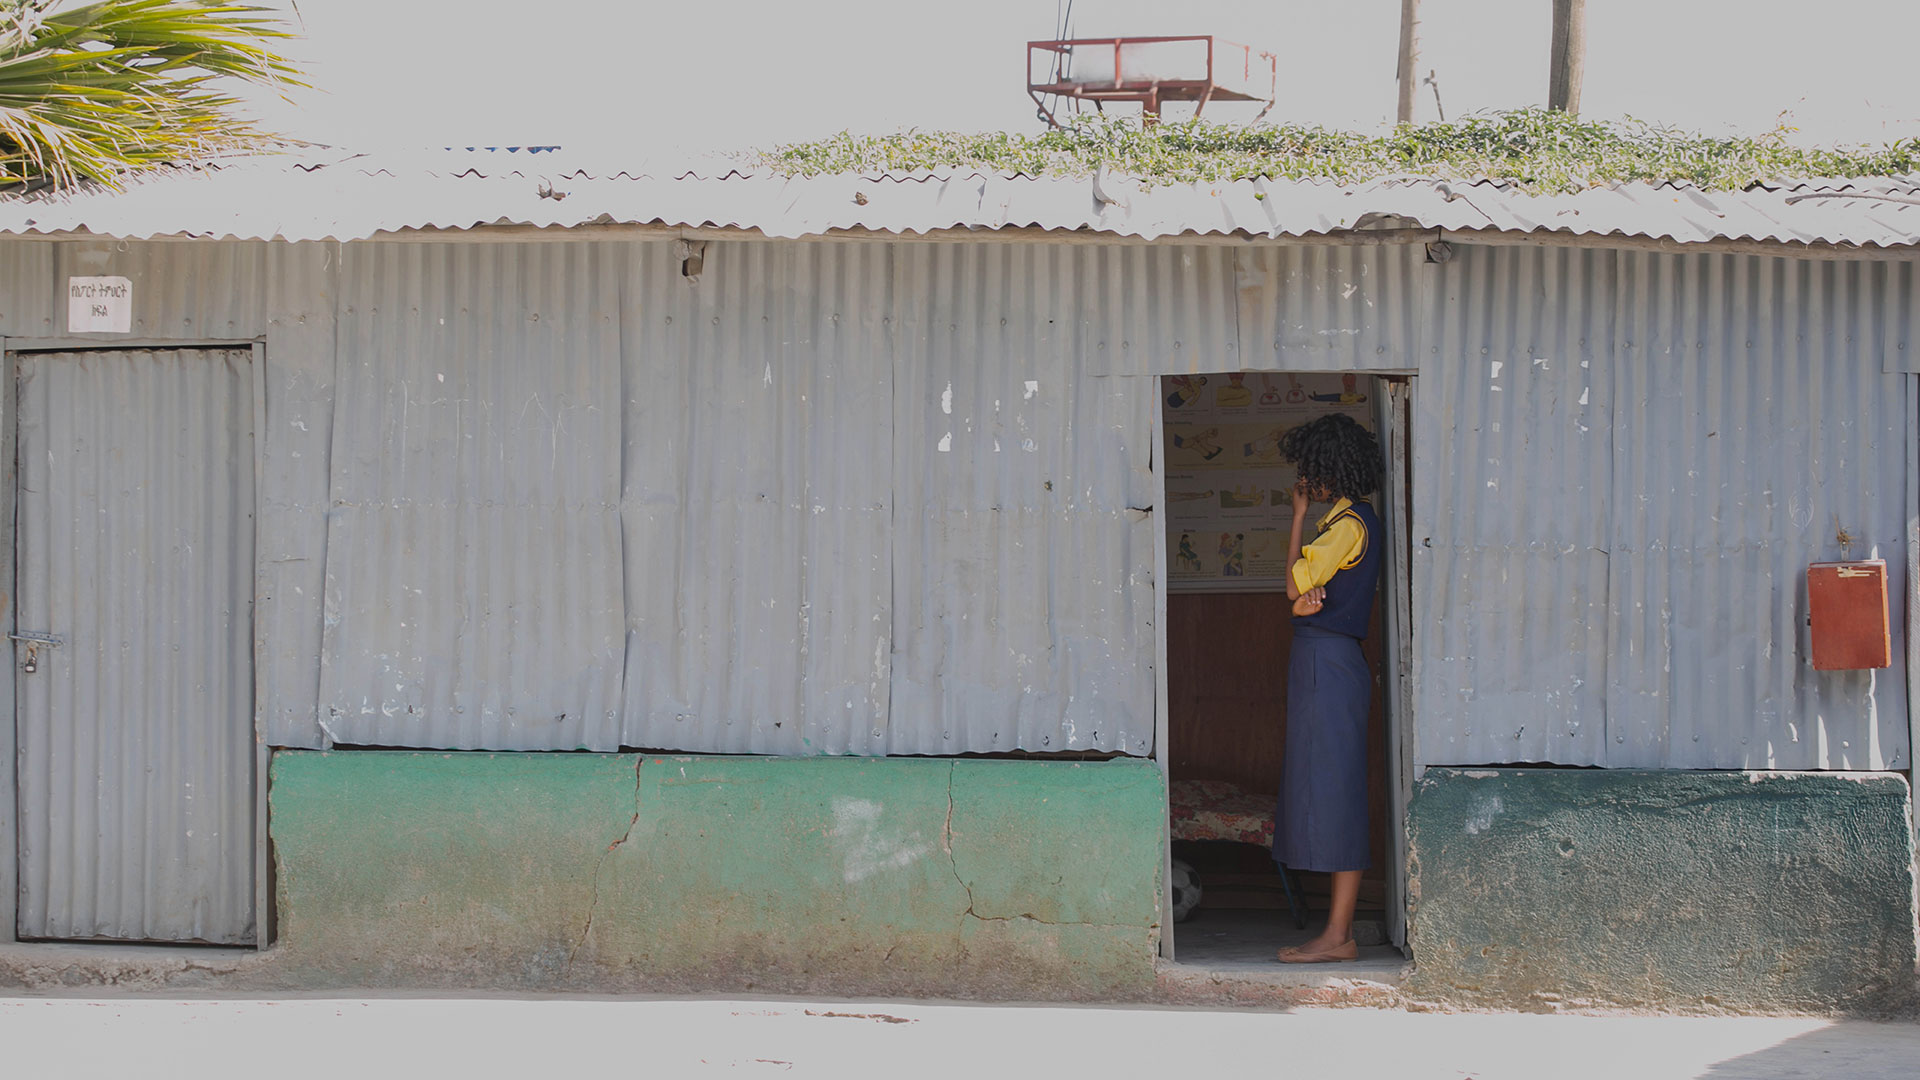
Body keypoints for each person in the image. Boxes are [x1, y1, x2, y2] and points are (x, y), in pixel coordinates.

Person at [1271, 412, 1383, 964]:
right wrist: (1298, 602)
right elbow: (1297, 594)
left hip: (1329, 664)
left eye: (1308, 471)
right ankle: (1336, 932)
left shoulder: (1347, 526)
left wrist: (1296, 519)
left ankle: (1338, 935)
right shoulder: (1344, 522)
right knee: (1329, 783)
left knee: (1338, 788)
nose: (1303, 480)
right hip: (1325, 662)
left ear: (1327, 471)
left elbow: (1294, 582)